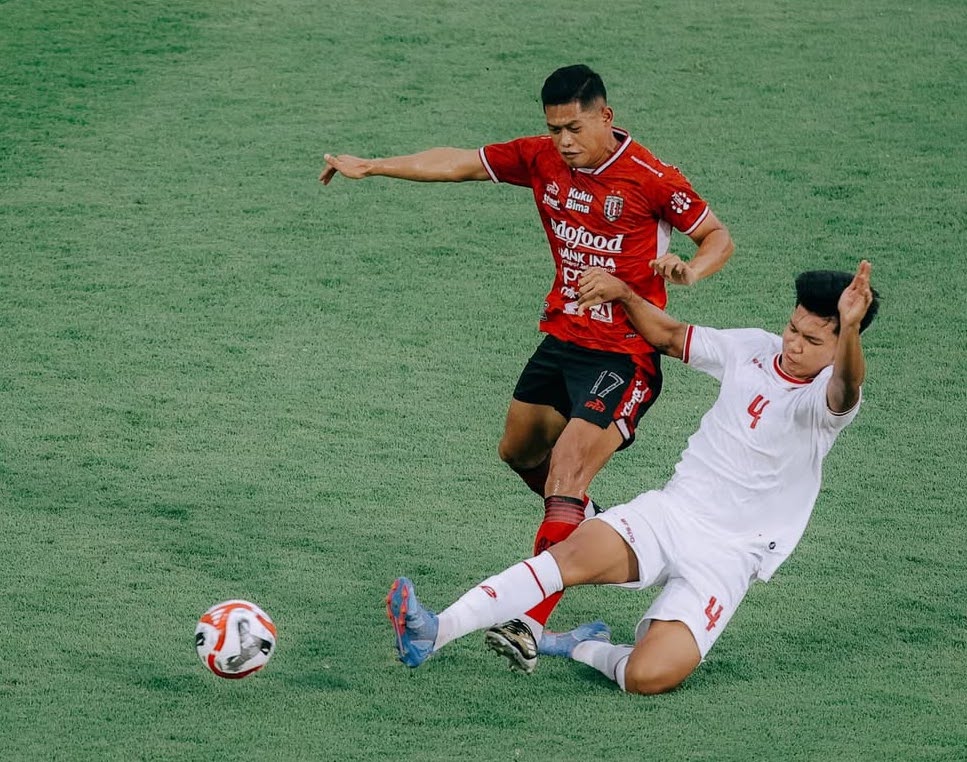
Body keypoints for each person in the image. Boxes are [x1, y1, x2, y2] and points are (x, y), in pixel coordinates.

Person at [322, 64, 734, 670]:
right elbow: (459, 162)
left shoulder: (651, 178)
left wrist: (689, 271)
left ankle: (528, 623)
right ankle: (586, 528)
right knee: (518, 453)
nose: (564, 140)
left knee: (567, 474)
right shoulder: (542, 159)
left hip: (625, 353)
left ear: (605, 116)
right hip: (562, 341)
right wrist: (374, 165)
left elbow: (716, 236)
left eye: (574, 126)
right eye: (554, 128)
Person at [386, 260, 879, 694]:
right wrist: (625, 293)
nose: (793, 344)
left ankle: (577, 647)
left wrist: (851, 329)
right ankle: (435, 631)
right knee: (567, 557)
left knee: (648, 676)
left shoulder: (827, 401)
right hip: (671, 513)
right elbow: (668, 336)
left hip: (730, 556)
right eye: (793, 328)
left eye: (812, 340)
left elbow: (846, 384)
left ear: (839, 347)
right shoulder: (751, 347)